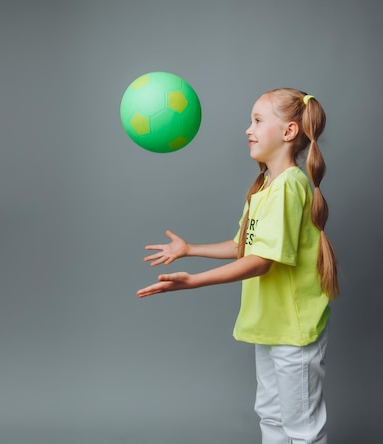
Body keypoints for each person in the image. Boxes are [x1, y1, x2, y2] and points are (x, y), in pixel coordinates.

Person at [137, 87, 339, 444]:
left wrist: (194, 281)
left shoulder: (290, 185)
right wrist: (190, 249)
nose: (249, 129)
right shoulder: (263, 186)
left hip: (294, 330)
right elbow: (242, 247)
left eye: (258, 121)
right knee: (272, 416)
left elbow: (260, 263)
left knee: (302, 428)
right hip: (269, 326)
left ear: (289, 132)